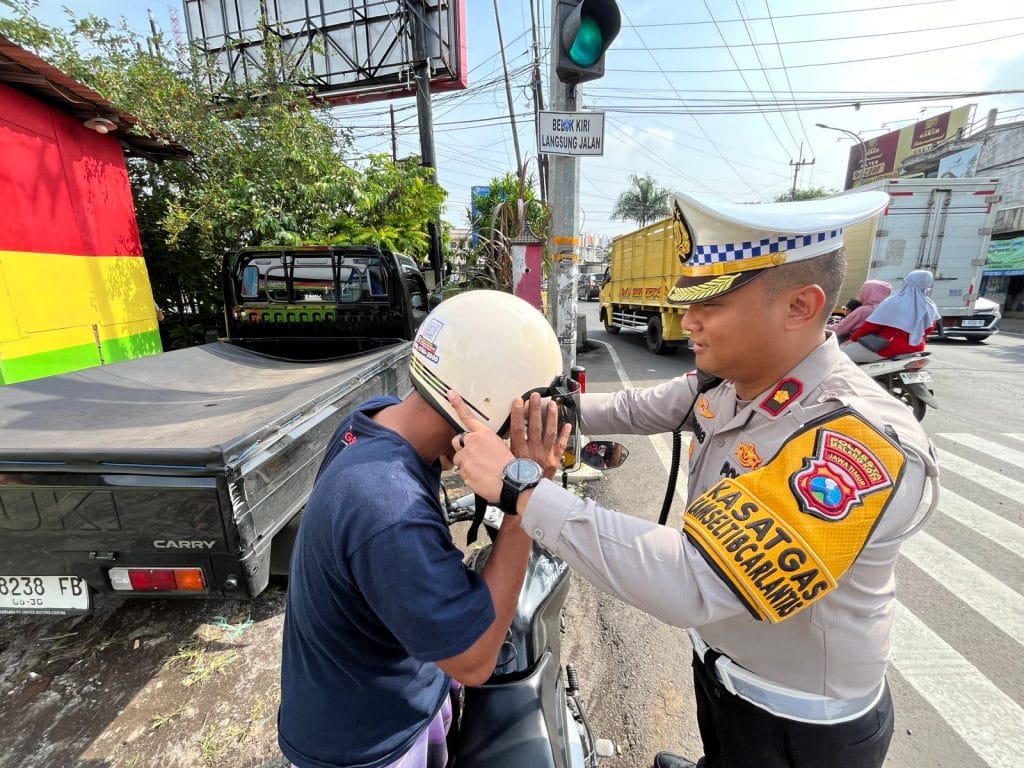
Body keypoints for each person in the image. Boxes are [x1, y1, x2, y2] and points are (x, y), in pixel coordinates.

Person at [449, 191, 940, 768]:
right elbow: (636, 409)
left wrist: (519, 489)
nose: (689, 320)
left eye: (715, 303)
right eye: (690, 300)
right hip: (722, 680)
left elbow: (692, 579)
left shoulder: (857, 443)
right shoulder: (730, 381)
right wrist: (537, 406)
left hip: (797, 726)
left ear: (800, 307)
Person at [277, 290, 571, 768]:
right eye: (517, 421)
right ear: (489, 406)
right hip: (368, 745)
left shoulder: (376, 418)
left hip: (376, 691)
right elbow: (475, 661)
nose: (514, 438)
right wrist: (523, 504)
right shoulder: (390, 505)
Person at [842, 270, 941, 362]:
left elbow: (870, 326)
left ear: (907, 282)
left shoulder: (894, 302)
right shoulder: (931, 306)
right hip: (916, 348)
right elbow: (928, 330)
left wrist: (852, 339)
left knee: (839, 354)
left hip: (886, 348)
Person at [827, 279, 891, 342]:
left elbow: (839, 329)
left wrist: (823, 327)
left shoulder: (863, 310)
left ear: (868, 293)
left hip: (851, 340)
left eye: (862, 291)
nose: (859, 293)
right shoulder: (883, 310)